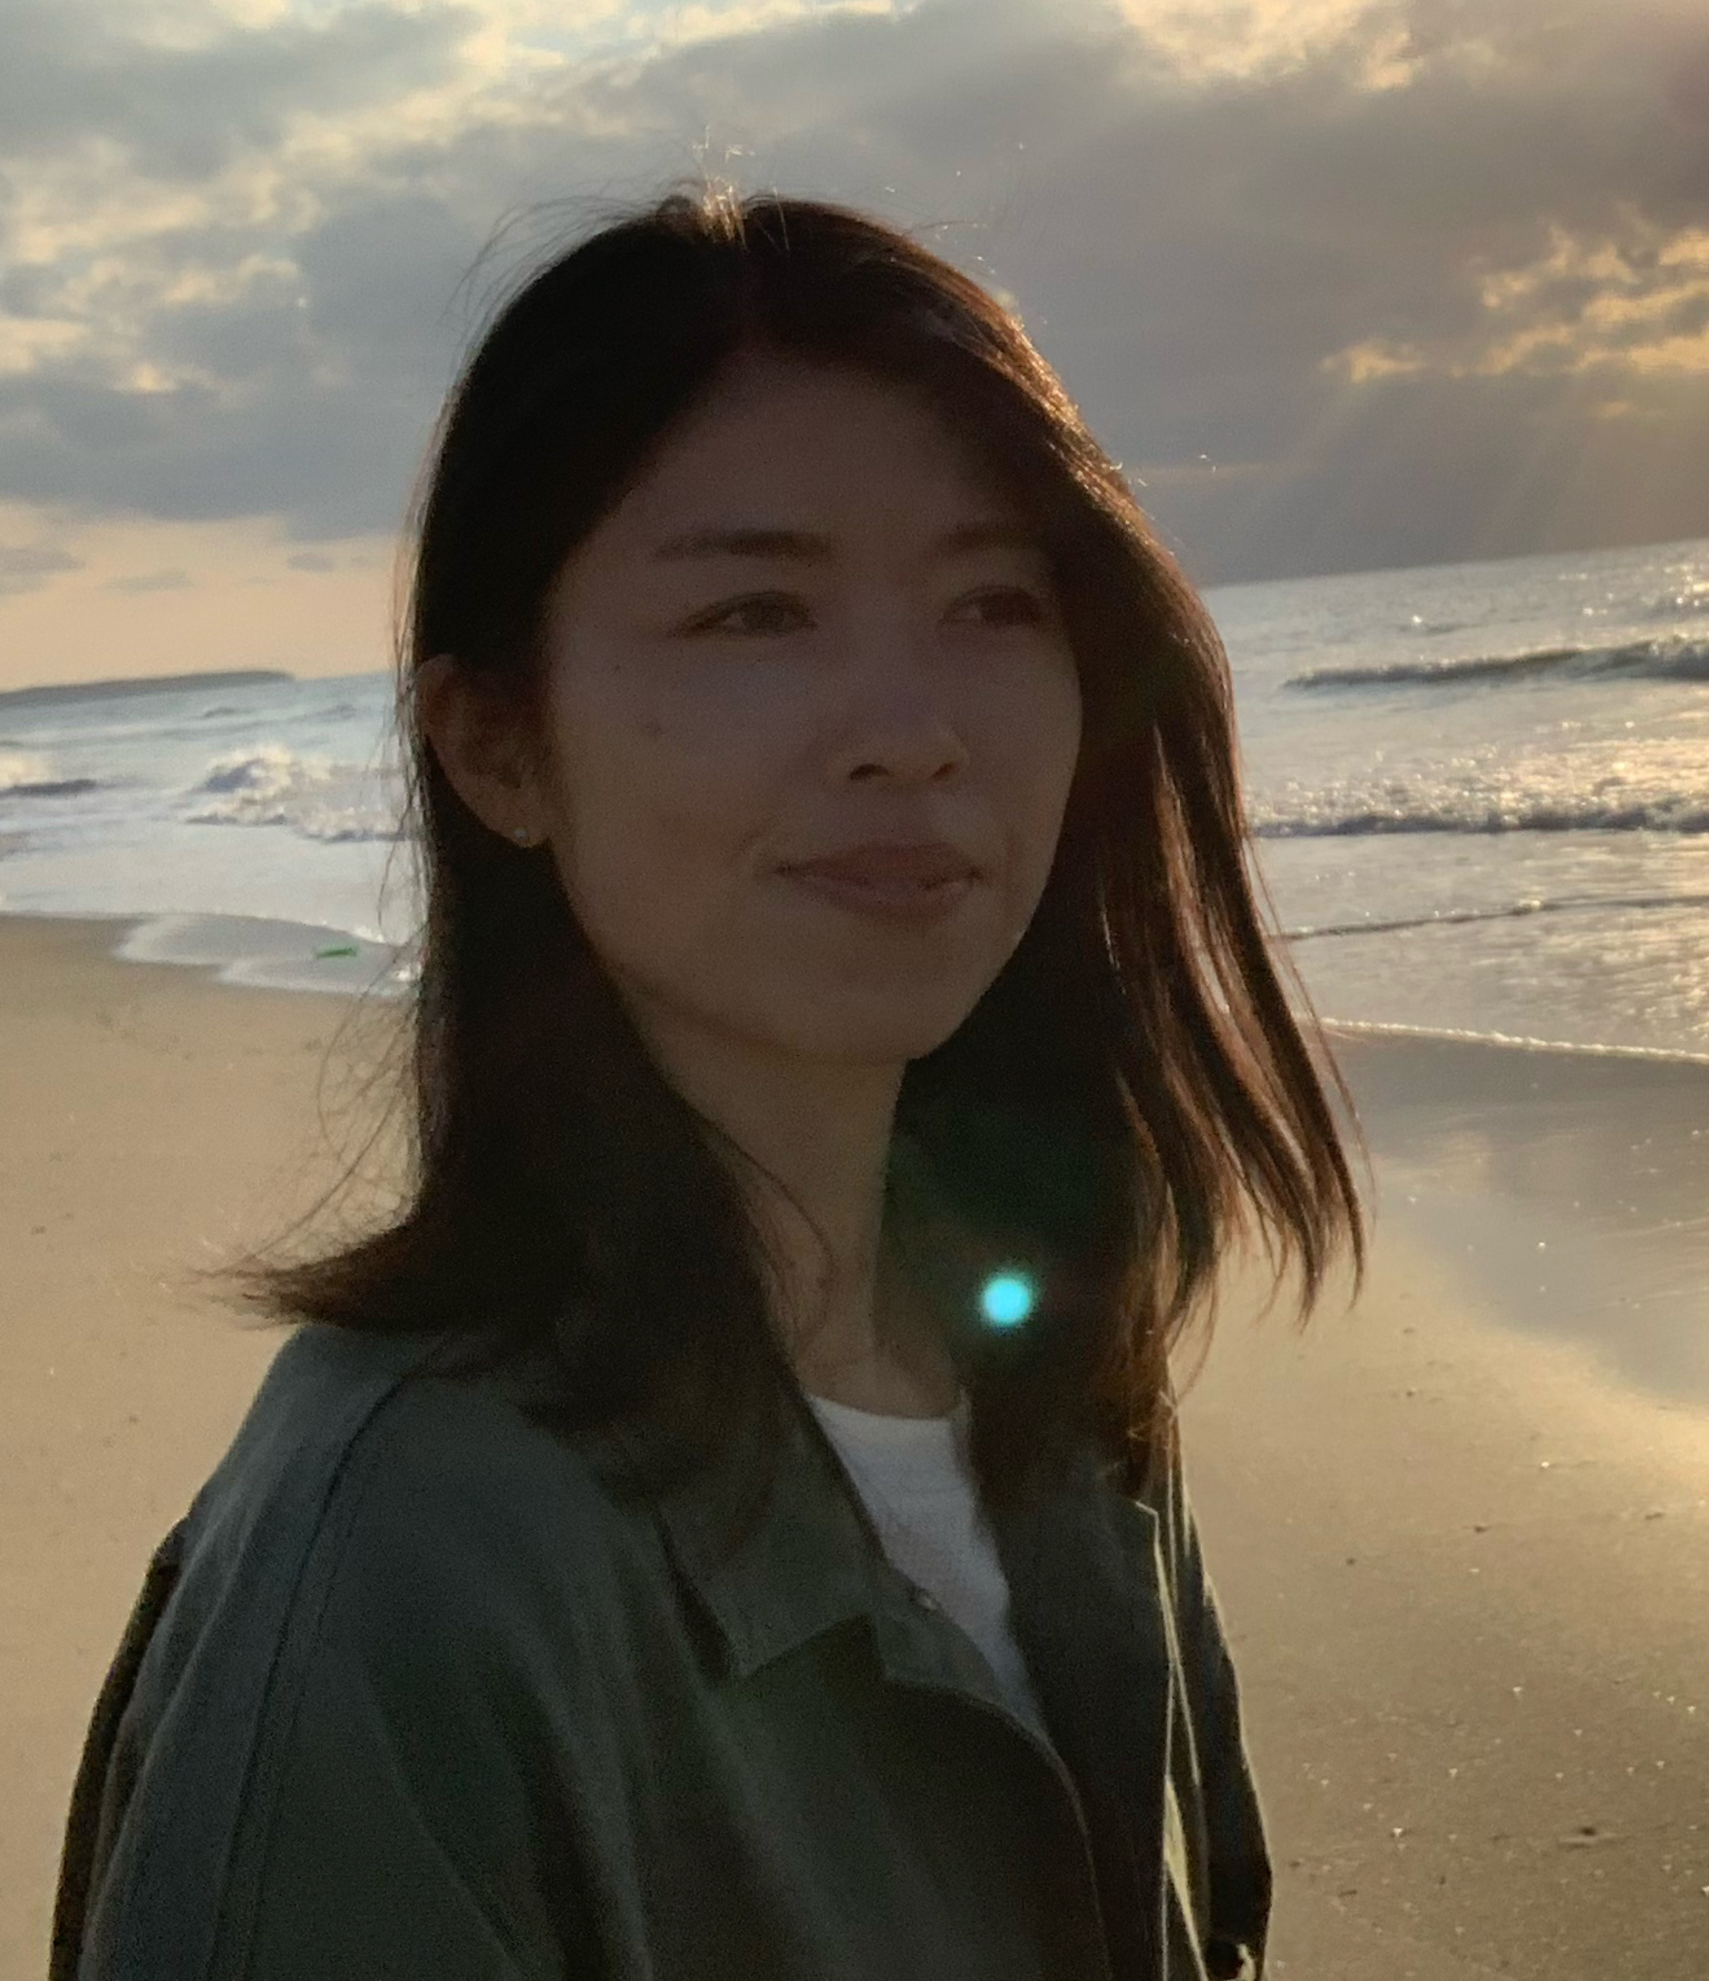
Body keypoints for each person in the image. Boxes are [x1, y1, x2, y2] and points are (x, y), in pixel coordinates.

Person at [53, 187, 1362, 1980]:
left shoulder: (1058, 1373)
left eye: (995, 601)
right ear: (501, 748)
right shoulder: (405, 1563)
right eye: (757, 613)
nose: (913, 731)